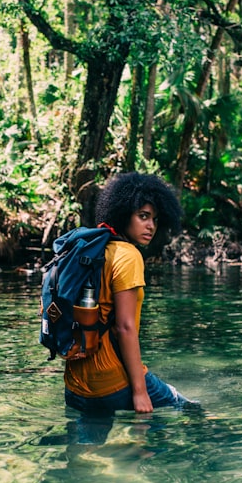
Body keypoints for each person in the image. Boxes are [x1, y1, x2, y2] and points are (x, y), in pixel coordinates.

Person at [64, 172, 190, 415]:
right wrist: (140, 392)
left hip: (76, 386)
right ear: (123, 215)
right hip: (113, 382)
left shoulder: (92, 251)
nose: (150, 226)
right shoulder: (129, 256)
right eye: (143, 216)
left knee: (84, 447)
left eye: (154, 219)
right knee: (188, 410)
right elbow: (124, 327)